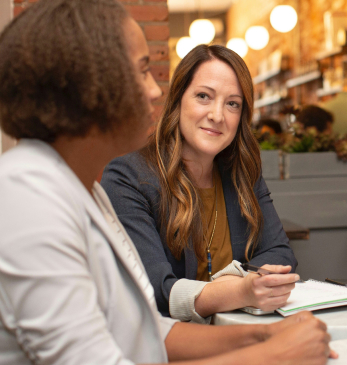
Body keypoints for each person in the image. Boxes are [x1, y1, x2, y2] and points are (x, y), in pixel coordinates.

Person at [0, 0, 333, 365]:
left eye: (233, 104)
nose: (155, 90)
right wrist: (271, 356)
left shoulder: (83, 190)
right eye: (142, 71)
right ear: (88, 86)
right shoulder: (26, 196)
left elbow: (147, 332)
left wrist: (263, 334)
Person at [101, 44, 298, 323]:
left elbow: (281, 254)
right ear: (178, 99)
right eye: (204, 96)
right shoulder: (128, 178)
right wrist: (240, 290)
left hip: (240, 337)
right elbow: (155, 290)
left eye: (232, 104)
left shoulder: (242, 173)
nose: (217, 115)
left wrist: (233, 286)